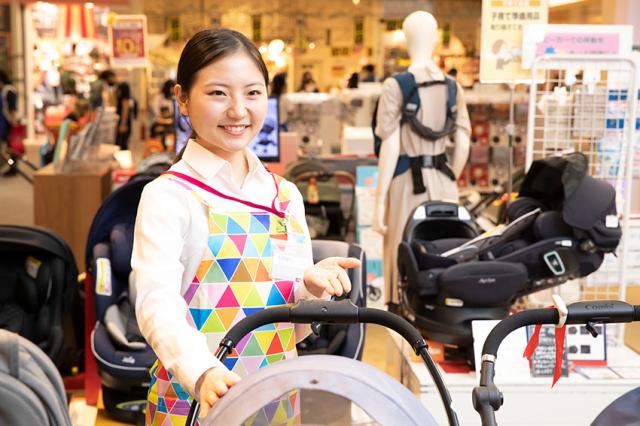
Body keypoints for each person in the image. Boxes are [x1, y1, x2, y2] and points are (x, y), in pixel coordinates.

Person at [131, 28, 360, 425]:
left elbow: (291, 324)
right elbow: (156, 302)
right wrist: (202, 372)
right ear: (182, 98)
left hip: (276, 399)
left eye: (253, 93)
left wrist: (309, 287)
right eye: (218, 93)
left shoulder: (284, 194)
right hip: (195, 400)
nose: (238, 111)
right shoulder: (169, 195)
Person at [371, 11, 470, 311]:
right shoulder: (453, 86)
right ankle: (441, 307)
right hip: (444, 178)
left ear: (406, 38)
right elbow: (463, 139)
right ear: (437, 37)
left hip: (406, 182)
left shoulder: (396, 85)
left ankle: (404, 313)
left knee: (403, 249)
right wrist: (452, 176)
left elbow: (389, 145)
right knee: (446, 245)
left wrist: (379, 202)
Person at [115, 81, 135, 150]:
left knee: (122, 143)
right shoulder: (128, 98)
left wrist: (123, 124)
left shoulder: (125, 98)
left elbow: (125, 111)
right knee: (123, 143)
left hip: (124, 122)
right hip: (125, 121)